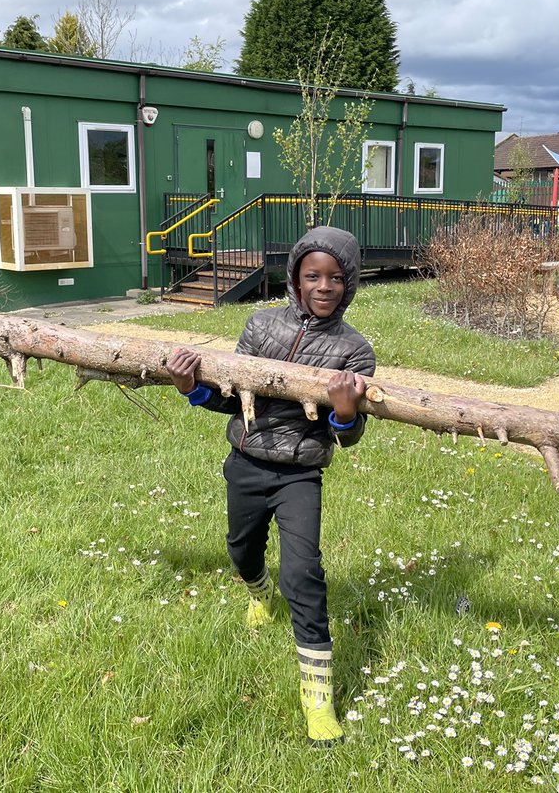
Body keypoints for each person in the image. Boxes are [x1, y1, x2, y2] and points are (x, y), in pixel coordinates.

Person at [167, 226, 375, 746]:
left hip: (300, 474)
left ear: (349, 284)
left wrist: (346, 414)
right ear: (296, 279)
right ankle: (258, 592)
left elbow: (345, 438)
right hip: (246, 461)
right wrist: (191, 387)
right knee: (241, 551)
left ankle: (318, 701)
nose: (324, 286)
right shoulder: (260, 326)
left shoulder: (354, 351)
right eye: (313, 276)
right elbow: (229, 398)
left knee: (304, 574)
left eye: (335, 278)